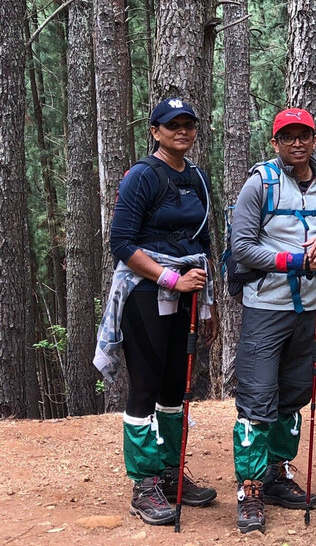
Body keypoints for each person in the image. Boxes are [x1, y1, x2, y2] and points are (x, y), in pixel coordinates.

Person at [94, 98, 218, 526]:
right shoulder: (142, 176)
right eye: (172, 125)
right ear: (155, 132)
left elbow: (203, 242)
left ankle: (169, 472)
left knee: (174, 387)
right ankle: (143, 483)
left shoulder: (198, 177)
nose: (182, 131)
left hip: (189, 289)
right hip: (146, 291)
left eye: (188, 124)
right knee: (146, 384)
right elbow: (122, 244)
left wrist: (208, 304)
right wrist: (170, 280)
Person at [228, 107, 316, 533]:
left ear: (315, 139)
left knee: (294, 395)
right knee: (257, 398)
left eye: (304, 136)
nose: (297, 143)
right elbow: (242, 248)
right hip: (265, 307)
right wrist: (296, 261)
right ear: (275, 142)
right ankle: (249, 488)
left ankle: (276, 474)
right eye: (288, 136)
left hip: (309, 309)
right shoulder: (259, 183)